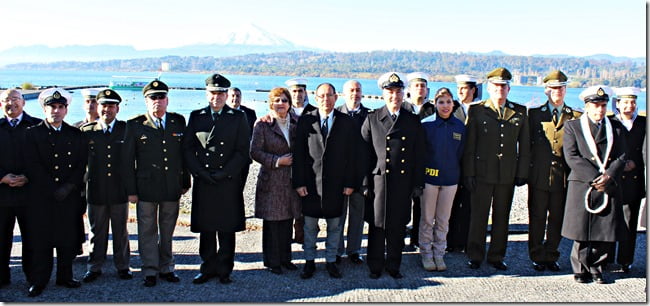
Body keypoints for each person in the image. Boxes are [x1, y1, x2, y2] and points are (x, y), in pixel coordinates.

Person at [122, 80, 191, 287]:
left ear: (167, 100)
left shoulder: (178, 122)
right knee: (147, 230)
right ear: (146, 101)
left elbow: (183, 155)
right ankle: (150, 270)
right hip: (146, 188)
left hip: (172, 186)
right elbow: (127, 161)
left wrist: (185, 181)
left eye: (161, 97)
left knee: (168, 230)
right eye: (153, 98)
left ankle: (167, 267)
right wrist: (131, 191)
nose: (157, 101)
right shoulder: (135, 125)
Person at [183, 74, 250, 285]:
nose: (217, 97)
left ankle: (225, 269)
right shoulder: (196, 116)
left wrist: (225, 173)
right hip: (204, 180)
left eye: (221, 93)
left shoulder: (238, 117)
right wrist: (200, 173)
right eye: (213, 93)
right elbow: (187, 149)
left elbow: (242, 151)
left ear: (227, 94)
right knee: (207, 227)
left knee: (227, 228)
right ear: (207, 94)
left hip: (227, 181)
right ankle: (207, 267)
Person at [463, 67, 530, 271]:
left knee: (502, 217)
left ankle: (497, 256)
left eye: (503, 86)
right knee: (479, 216)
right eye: (496, 86)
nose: (500, 90)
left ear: (509, 89)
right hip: (483, 173)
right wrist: (469, 172)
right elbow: (470, 146)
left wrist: (521, 172)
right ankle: (475, 254)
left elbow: (524, 146)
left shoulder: (519, 111)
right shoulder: (476, 110)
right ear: (490, 88)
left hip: (507, 174)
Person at [23, 88, 87, 297]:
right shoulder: (32, 134)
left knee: (67, 239)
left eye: (60, 107)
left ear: (66, 110)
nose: (56, 111)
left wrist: (68, 187)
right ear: (44, 108)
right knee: (41, 240)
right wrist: (52, 189)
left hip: (67, 197)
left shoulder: (75, 134)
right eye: (52, 107)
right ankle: (39, 280)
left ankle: (65, 277)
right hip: (42, 197)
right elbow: (32, 165)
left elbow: (81, 165)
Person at [361, 72, 425, 279]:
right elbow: (363, 154)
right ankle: (375, 265)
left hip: (402, 182)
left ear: (403, 94)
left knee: (398, 225)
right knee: (377, 225)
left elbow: (418, 155)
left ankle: (394, 265)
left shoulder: (412, 121)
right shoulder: (372, 119)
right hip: (378, 181)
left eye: (398, 92)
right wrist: (364, 183)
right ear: (383, 94)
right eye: (390, 92)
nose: (394, 97)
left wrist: (417, 183)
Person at [561, 85, 627, 284]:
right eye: (596, 105)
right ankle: (580, 268)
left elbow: (622, 156)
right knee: (581, 230)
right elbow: (571, 156)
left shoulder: (615, 128)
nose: (600, 110)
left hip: (608, 183)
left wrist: (609, 176)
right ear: (587, 106)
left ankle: (597, 266)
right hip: (584, 183)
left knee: (603, 230)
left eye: (603, 105)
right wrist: (594, 177)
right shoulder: (573, 126)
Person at [293, 82, 358, 279]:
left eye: (329, 95)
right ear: (315, 98)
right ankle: (309, 261)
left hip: (336, 185)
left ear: (335, 97)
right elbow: (299, 154)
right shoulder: (306, 121)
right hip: (311, 184)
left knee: (335, 227)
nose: (325, 100)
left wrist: (350, 183)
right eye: (321, 96)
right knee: (310, 227)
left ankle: (331, 261)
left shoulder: (346, 121)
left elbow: (352, 156)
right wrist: (299, 182)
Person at [527, 70, 582, 272]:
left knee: (557, 218)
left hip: (563, 177)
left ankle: (551, 254)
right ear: (546, 91)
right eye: (553, 89)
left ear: (566, 90)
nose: (557, 92)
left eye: (561, 88)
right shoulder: (534, 114)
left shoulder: (575, 116)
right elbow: (527, 145)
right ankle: (536, 255)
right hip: (539, 174)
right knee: (537, 216)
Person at [80, 89, 132, 283]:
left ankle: (123, 266)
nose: (106, 110)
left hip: (119, 189)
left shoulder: (126, 129)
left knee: (120, 231)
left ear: (117, 108)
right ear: (98, 107)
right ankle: (94, 267)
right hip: (96, 190)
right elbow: (80, 163)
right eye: (103, 105)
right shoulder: (87, 131)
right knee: (96, 231)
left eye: (111, 106)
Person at [250, 87, 301, 275]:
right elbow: (254, 151)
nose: (281, 104)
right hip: (271, 179)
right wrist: (277, 161)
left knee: (287, 220)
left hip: (290, 179)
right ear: (271, 103)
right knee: (272, 222)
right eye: (277, 100)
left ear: (290, 103)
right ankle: (273, 262)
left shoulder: (297, 122)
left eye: (284, 100)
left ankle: (286, 258)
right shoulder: (262, 124)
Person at [418, 88, 465, 271]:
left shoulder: (460, 126)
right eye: (441, 102)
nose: (445, 106)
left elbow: (460, 153)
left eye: (448, 102)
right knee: (428, 219)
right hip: (430, 179)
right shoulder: (426, 125)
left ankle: (439, 254)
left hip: (450, 180)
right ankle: (426, 254)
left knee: (443, 219)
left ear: (453, 104)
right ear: (435, 104)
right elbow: (421, 153)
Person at [0, 89, 41, 289]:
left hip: (29, 193)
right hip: (2, 193)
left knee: (32, 239)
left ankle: (33, 277)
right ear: (1, 105)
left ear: (23, 103)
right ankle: (1, 276)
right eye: (6, 100)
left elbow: (44, 159)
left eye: (15, 99)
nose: (11, 104)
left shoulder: (36, 126)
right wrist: (2, 177)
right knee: (1, 238)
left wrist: (27, 176)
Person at [606, 86, 645, 273]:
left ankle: (625, 260)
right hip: (614, 178)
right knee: (610, 220)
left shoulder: (644, 123)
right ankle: (606, 258)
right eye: (625, 102)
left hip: (634, 179)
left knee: (630, 223)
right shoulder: (609, 122)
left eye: (633, 102)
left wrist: (635, 164)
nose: (629, 106)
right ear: (618, 104)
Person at [334, 80, 370, 265]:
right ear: (343, 93)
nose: (355, 94)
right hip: (339, 174)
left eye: (358, 90)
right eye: (351, 90)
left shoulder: (369, 115)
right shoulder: (336, 113)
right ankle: (337, 250)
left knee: (358, 215)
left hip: (361, 174)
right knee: (338, 215)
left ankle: (354, 250)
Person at [401, 72, 434, 252]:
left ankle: (417, 239)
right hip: (405, 163)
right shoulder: (402, 108)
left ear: (427, 90)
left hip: (424, 163)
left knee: (422, 206)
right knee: (403, 203)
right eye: (416, 86)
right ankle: (400, 237)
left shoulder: (432, 110)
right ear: (409, 90)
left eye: (422, 86)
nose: (419, 89)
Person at [447, 74, 479, 253]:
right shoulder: (452, 109)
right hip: (454, 165)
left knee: (469, 206)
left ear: (473, 90)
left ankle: (467, 241)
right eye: (458, 87)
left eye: (464, 88)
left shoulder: (481, 110)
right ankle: (451, 241)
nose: (460, 91)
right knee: (451, 206)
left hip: (473, 166)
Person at [284, 77, 315, 245]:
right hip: (287, 164)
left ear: (305, 93)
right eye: (294, 91)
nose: (297, 95)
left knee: (307, 205)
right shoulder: (284, 111)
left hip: (309, 166)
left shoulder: (314, 112)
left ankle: (306, 239)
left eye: (300, 91)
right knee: (289, 203)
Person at [227, 87, 257, 193]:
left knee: (239, 190)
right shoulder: (222, 112)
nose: (235, 98)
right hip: (226, 160)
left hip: (244, 159)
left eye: (238, 96)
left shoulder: (250, 113)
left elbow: (253, 135)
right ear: (227, 97)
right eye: (233, 95)